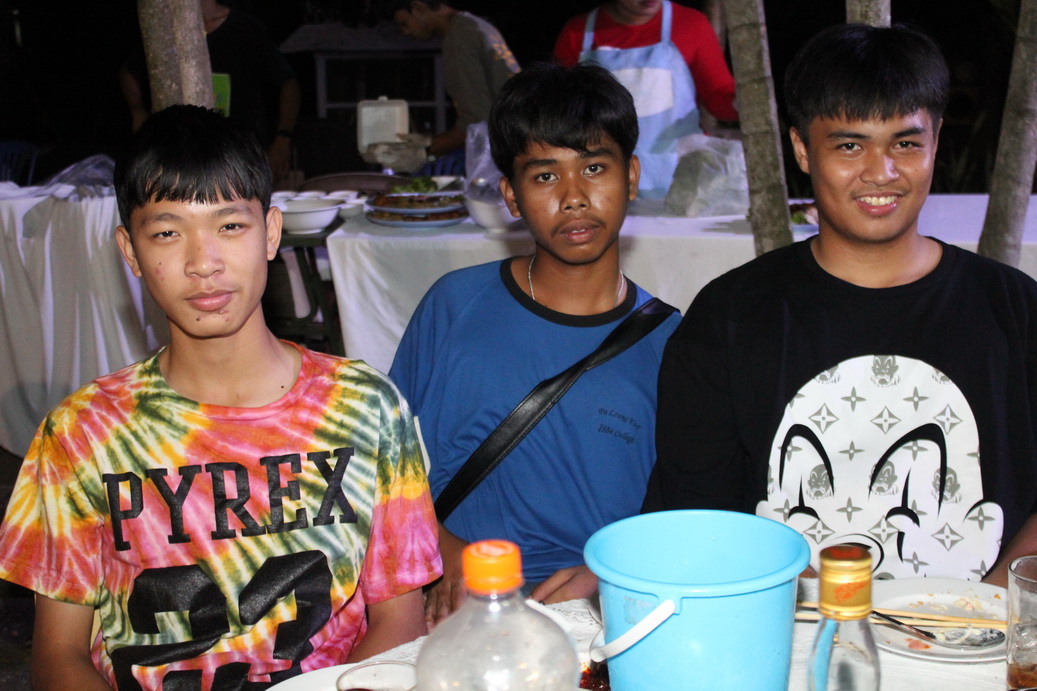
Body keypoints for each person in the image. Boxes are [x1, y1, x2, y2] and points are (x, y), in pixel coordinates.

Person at [0, 105, 441, 691]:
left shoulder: (368, 408)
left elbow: (400, 621)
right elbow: (58, 656)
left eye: (230, 226)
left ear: (272, 233)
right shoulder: (83, 432)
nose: (203, 263)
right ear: (130, 252)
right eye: (167, 232)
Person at [643, 23, 1037, 587]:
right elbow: (699, 512)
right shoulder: (731, 316)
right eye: (850, 146)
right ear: (802, 148)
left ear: (936, 140)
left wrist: (994, 605)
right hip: (791, 630)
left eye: (905, 143)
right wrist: (819, 610)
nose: (881, 172)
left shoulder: (1015, 309)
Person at [389, 62, 681, 626]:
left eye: (594, 168)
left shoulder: (672, 343)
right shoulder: (455, 306)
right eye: (545, 176)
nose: (574, 197)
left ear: (631, 176)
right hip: (458, 613)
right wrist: (444, 553)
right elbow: (384, 467)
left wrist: (611, 574)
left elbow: (685, 511)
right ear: (512, 196)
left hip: (599, 620)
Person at [553, 0, 738, 199]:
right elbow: (559, 111)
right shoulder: (578, 33)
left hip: (683, 177)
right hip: (604, 180)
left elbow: (719, 96)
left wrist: (745, 104)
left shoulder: (690, 24)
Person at [119, 0, 301, 186]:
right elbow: (130, 72)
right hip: (180, 158)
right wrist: (138, 112)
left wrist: (283, 138)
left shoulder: (247, 29)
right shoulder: (166, 31)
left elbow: (288, 83)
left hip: (238, 156)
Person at [386, 0, 520, 159]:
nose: (405, 32)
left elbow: (476, 120)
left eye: (404, 23)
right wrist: (429, 142)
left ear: (418, 7)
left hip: (504, 153)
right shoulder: (475, 25)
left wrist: (424, 153)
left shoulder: (459, 36)